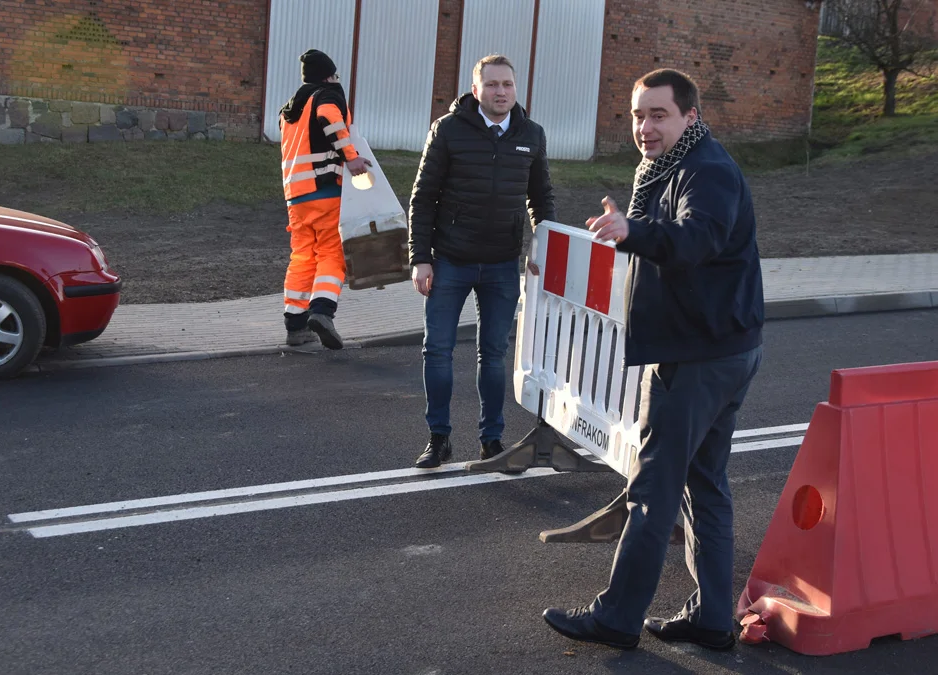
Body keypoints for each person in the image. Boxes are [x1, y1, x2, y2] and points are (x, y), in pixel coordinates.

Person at [541, 69, 764, 651]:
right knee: (704, 485)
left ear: (690, 115)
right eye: (638, 115)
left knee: (653, 488)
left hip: (696, 356)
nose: (644, 127)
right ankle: (714, 619)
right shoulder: (671, 167)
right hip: (715, 346)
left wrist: (633, 230)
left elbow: (695, 241)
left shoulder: (706, 171)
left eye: (658, 115)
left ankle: (616, 619)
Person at [407, 54, 555, 468]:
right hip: (449, 261)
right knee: (436, 350)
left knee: (492, 354)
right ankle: (439, 439)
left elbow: (541, 200)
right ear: (476, 90)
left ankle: (492, 439)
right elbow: (422, 198)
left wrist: (545, 250)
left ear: (515, 88)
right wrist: (420, 259)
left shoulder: (532, 135)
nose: (501, 92)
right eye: (492, 85)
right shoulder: (449, 130)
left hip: (502, 266)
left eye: (507, 84)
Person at [278, 49, 371, 349]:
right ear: (328, 75)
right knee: (332, 253)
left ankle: (295, 325)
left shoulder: (288, 111)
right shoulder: (326, 96)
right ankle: (322, 311)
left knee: (302, 258)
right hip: (326, 189)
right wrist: (352, 158)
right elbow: (330, 120)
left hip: (296, 197)